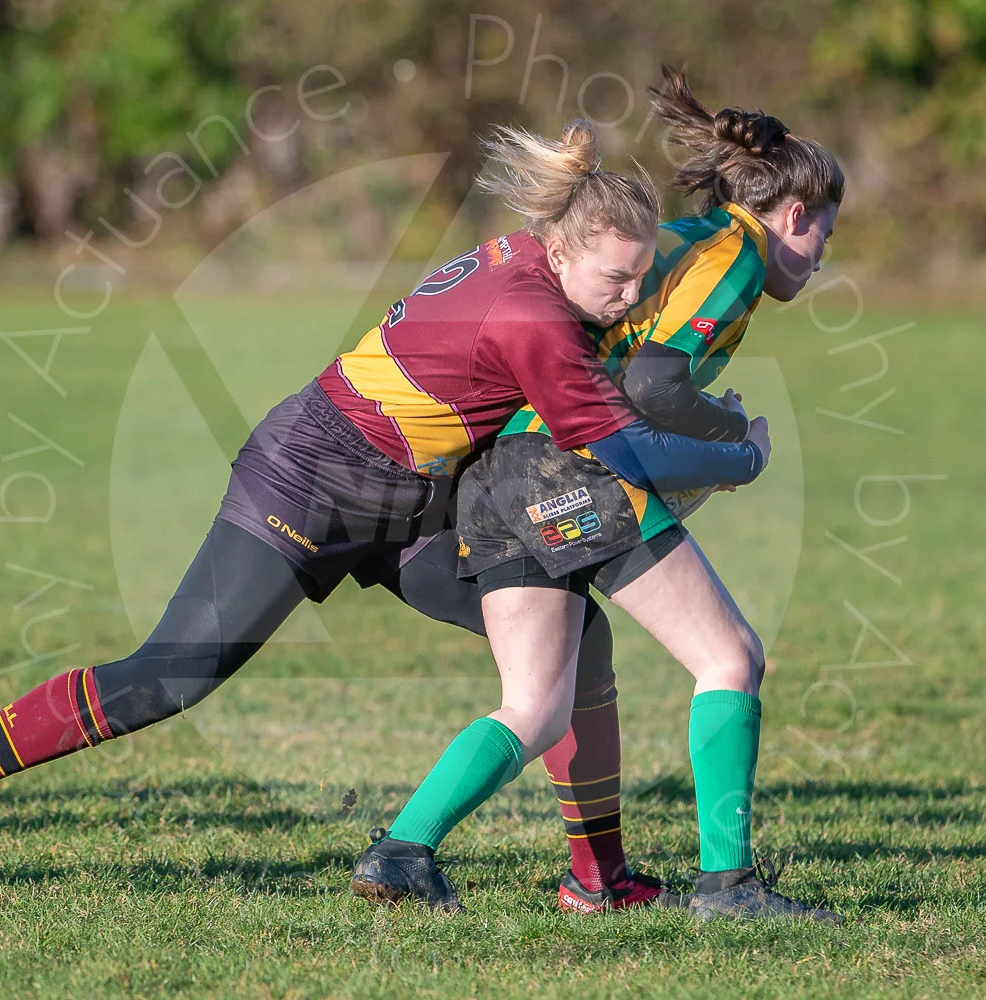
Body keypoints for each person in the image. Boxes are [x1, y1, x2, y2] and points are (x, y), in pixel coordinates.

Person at [0, 119, 759, 910]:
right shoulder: (537, 318)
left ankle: (598, 879)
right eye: (618, 279)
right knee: (169, 678)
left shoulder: (525, 255)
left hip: (409, 506)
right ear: (559, 252)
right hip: (307, 487)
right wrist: (736, 456)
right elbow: (626, 454)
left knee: (573, 641)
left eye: (641, 278)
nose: (631, 299)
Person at [352, 67, 847, 923]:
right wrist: (731, 442)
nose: (819, 256)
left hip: (499, 475)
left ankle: (402, 852)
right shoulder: (732, 252)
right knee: (730, 657)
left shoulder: (680, 241)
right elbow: (654, 385)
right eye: (825, 235)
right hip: (573, 467)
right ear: (795, 216)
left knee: (537, 705)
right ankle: (728, 886)